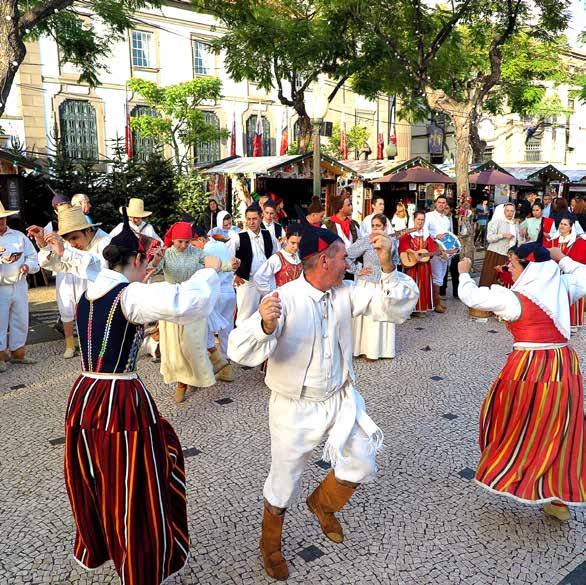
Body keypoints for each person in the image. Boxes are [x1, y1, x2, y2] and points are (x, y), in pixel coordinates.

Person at [227, 221, 418, 581]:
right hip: (294, 406)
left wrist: (389, 265)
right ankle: (270, 544)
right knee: (284, 479)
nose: (349, 263)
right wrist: (265, 327)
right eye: (344, 257)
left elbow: (396, 307)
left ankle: (322, 504)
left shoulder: (347, 291)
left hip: (341, 398)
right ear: (325, 261)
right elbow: (238, 349)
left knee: (361, 460)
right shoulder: (283, 299)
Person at [64, 212, 222, 584]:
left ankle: (104, 544)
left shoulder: (89, 292)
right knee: (136, 482)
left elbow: (121, 313)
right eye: (143, 264)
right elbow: (189, 303)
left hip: (84, 396)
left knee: (97, 476)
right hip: (119, 399)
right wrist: (210, 270)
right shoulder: (129, 295)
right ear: (135, 260)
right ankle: (139, 562)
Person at [458, 243, 586, 521]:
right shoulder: (561, 288)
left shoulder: (513, 300)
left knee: (513, 421)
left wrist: (464, 273)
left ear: (530, 269)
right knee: (561, 428)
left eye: (513, 265)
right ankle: (558, 498)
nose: (510, 271)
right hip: (564, 365)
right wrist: (562, 258)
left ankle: (511, 475)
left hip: (530, 367)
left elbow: (470, 297)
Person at [152, 222, 238, 402]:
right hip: (172, 306)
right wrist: (156, 260)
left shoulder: (197, 252)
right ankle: (181, 383)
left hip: (192, 304)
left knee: (191, 345)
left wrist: (230, 265)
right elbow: (152, 269)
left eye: (187, 242)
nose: (183, 246)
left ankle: (198, 374)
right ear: (173, 240)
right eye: (180, 242)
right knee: (174, 348)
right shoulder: (166, 254)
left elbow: (214, 263)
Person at [29, 207, 111, 357]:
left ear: (87, 230)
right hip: (84, 297)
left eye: (74, 238)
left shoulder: (105, 241)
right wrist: (44, 245)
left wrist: (65, 252)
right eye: (67, 240)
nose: (71, 244)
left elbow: (97, 267)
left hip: (104, 299)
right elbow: (60, 265)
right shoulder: (71, 244)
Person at [347, 214, 403, 360]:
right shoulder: (366, 240)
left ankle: (382, 350)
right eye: (373, 226)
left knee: (382, 316)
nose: (375, 228)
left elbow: (396, 260)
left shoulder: (392, 242)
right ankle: (363, 349)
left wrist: (390, 271)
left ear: (384, 227)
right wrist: (358, 269)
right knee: (368, 318)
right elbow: (346, 256)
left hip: (384, 283)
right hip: (367, 284)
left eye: (378, 226)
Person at [0, 203, 40, 372]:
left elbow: (33, 257)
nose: (0, 222)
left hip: (19, 284)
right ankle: (0, 357)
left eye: (2, 219)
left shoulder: (18, 236)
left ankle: (18, 353)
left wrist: (27, 266)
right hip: (0, 287)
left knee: (21, 319)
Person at [227, 204, 273, 326]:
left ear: (261, 218)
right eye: (249, 219)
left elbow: (276, 256)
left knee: (266, 315)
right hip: (247, 282)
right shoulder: (238, 237)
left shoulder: (268, 235)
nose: (251, 222)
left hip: (266, 281)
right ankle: (241, 343)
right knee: (244, 317)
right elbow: (228, 257)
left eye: (254, 219)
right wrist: (234, 275)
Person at [470, 203, 518, 319]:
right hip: (495, 253)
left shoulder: (515, 225)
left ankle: (498, 307)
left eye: (512, 211)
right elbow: (489, 238)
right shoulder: (497, 221)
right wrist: (502, 235)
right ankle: (483, 305)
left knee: (502, 280)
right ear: (503, 211)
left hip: (508, 255)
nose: (510, 213)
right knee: (489, 278)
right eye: (508, 211)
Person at [547, 217, 586, 331]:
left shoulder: (578, 241)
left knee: (571, 296)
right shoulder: (553, 241)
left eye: (565, 224)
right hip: (555, 274)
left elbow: (581, 259)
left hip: (571, 275)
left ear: (571, 227)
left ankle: (572, 322)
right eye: (561, 224)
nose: (562, 226)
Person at [399, 210, 435, 313]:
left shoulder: (427, 234)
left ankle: (420, 308)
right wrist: (413, 253)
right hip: (411, 265)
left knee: (423, 285)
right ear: (414, 220)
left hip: (424, 266)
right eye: (418, 219)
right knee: (410, 285)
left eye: (422, 220)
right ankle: (409, 310)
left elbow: (432, 249)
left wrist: (438, 253)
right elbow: (403, 246)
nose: (420, 222)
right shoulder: (408, 233)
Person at [424, 195, 452, 313]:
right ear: (435, 204)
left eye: (444, 203)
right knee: (436, 276)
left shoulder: (446, 219)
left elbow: (448, 235)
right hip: (434, 248)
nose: (441, 204)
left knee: (442, 275)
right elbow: (424, 231)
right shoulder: (428, 216)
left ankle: (437, 301)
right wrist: (435, 236)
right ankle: (436, 303)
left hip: (444, 250)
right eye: (439, 202)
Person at [253, 227, 302, 295]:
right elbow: (258, 278)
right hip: (283, 299)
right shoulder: (277, 258)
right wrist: (272, 293)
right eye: (293, 243)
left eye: (298, 243)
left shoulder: (298, 256)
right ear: (286, 240)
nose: (296, 247)